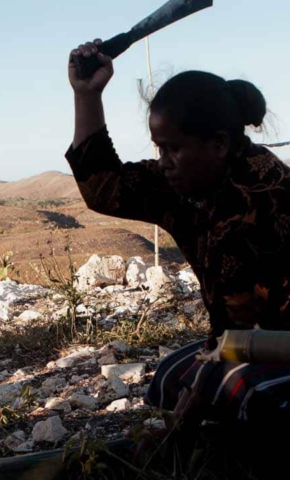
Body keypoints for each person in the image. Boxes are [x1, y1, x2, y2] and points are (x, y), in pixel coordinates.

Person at [65, 39, 290, 456]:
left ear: (218, 144)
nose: (163, 161)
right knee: (170, 376)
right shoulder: (192, 180)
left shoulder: (257, 203)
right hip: (252, 339)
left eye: (173, 148)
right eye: (158, 148)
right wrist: (87, 95)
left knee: (235, 391)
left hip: (276, 340)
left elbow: (235, 337)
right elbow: (105, 188)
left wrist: (174, 438)